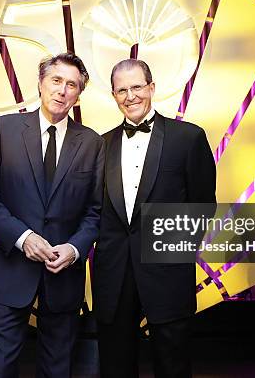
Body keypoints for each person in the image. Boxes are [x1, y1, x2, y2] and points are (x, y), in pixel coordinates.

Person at [0, 52, 104, 378]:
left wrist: (74, 249)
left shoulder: (92, 143)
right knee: (0, 367)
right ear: (41, 84)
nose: (62, 90)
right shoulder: (5, 129)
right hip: (9, 268)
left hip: (64, 274)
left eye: (71, 85)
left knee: (58, 368)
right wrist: (22, 237)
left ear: (78, 94)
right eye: (56, 81)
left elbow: (96, 211)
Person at [93, 58, 216, 378]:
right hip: (113, 272)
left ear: (152, 87)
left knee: (172, 362)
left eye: (136, 87)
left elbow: (203, 205)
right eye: (122, 90)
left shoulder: (188, 137)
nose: (130, 96)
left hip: (168, 271)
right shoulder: (100, 145)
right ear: (113, 95)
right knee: (115, 364)